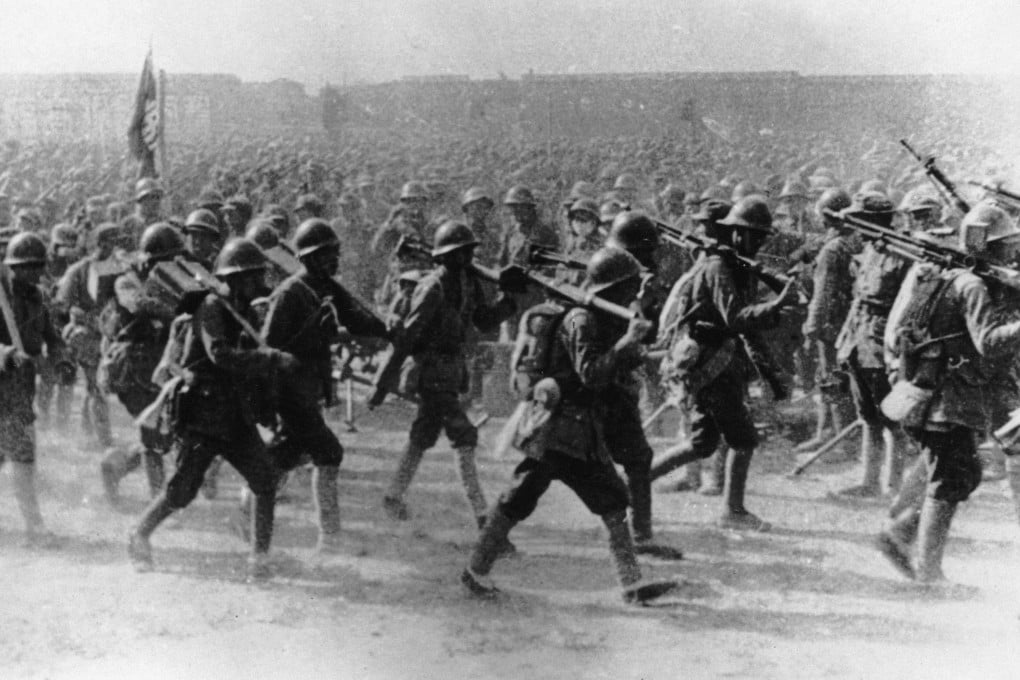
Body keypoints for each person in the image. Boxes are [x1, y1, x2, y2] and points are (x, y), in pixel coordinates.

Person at [461, 247, 679, 604]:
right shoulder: (582, 320)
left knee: (610, 503)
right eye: (628, 288)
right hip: (558, 430)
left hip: (578, 432)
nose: (632, 295)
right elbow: (591, 374)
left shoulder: (600, 319)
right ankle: (474, 571)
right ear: (611, 289)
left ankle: (632, 585)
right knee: (518, 499)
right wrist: (627, 344)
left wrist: (636, 337)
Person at [128, 238, 294, 580]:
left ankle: (259, 559)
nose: (257, 284)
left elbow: (251, 366)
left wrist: (267, 403)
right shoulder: (213, 309)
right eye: (250, 277)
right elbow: (220, 354)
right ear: (234, 279)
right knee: (183, 489)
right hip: (202, 414)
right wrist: (270, 357)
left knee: (264, 480)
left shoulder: (244, 312)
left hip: (236, 415)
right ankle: (139, 534)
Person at [876, 202, 1020, 583]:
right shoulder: (971, 285)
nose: (1012, 250)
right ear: (988, 247)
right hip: (947, 399)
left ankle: (902, 533)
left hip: (935, 393)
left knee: (963, 475)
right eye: (1006, 243)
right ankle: (929, 572)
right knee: (951, 480)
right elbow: (988, 341)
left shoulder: (946, 276)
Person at [650, 196, 799, 531]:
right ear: (734, 233)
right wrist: (776, 306)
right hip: (711, 360)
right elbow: (735, 318)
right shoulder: (718, 268)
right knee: (742, 439)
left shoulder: (734, 266)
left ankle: (636, 482)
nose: (758, 243)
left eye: (762, 237)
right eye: (752, 235)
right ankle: (732, 511)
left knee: (703, 442)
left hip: (718, 359)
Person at [377, 220, 516, 533]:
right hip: (431, 372)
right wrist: (385, 379)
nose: (465, 259)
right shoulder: (431, 288)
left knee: (423, 435)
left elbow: (483, 319)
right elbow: (409, 336)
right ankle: (483, 517)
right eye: (458, 254)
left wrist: (508, 301)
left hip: (451, 371)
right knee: (464, 435)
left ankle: (393, 495)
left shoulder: (468, 283)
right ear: (441, 257)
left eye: (468, 253)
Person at [261, 218, 389, 552]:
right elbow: (268, 349)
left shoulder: (327, 288)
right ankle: (329, 537)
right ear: (309, 257)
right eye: (327, 254)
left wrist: (387, 329)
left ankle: (251, 508)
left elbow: (358, 317)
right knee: (327, 451)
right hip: (290, 389)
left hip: (310, 386)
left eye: (335, 253)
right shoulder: (289, 294)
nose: (335, 260)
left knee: (286, 456)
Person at [833, 192, 912, 497]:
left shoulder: (903, 255)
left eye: (860, 219)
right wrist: (844, 341)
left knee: (892, 416)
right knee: (867, 415)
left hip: (883, 343)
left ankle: (894, 487)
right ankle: (869, 481)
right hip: (858, 339)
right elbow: (858, 301)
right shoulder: (866, 250)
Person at [97, 223, 181, 505]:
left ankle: (115, 466)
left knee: (165, 437)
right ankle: (159, 500)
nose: (167, 265)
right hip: (131, 368)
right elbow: (140, 305)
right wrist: (179, 310)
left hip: (155, 366)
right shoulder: (127, 281)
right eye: (161, 259)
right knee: (153, 435)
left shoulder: (170, 281)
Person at [0, 233, 65, 545]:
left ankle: (33, 527)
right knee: (19, 456)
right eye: (26, 267)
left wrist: (60, 359)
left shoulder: (38, 297)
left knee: (22, 457)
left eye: (37, 266)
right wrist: (8, 355)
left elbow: (53, 335)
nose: (34, 272)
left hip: (19, 394)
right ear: (12, 268)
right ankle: (33, 526)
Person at [796, 188, 859, 454]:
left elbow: (822, 295)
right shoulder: (855, 241)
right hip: (851, 324)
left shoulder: (832, 250)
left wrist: (811, 329)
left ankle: (837, 440)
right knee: (843, 379)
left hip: (831, 326)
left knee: (831, 379)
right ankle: (830, 432)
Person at [55, 222, 123, 448]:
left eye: (114, 241)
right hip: (83, 334)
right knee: (94, 385)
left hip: (107, 334)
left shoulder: (118, 268)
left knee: (95, 387)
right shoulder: (80, 270)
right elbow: (63, 305)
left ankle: (88, 431)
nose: (111, 246)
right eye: (108, 241)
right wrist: (85, 318)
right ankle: (103, 439)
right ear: (99, 243)